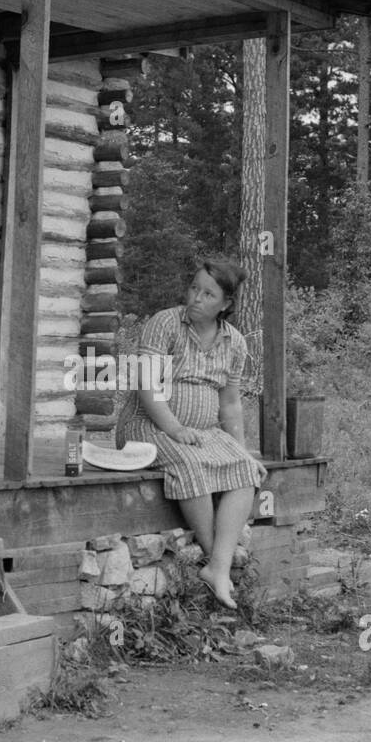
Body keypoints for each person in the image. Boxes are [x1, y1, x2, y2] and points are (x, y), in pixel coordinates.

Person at [120, 257, 267, 609]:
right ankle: (218, 558)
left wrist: (241, 449)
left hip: (203, 430)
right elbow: (147, 387)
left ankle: (216, 567)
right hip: (148, 425)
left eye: (208, 294)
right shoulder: (165, 323)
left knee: (245, 471)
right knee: (190, 463)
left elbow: (230, 404)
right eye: (194, 288)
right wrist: (175, 428)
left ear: (226, 304)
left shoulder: (235, 343)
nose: (196, 298)